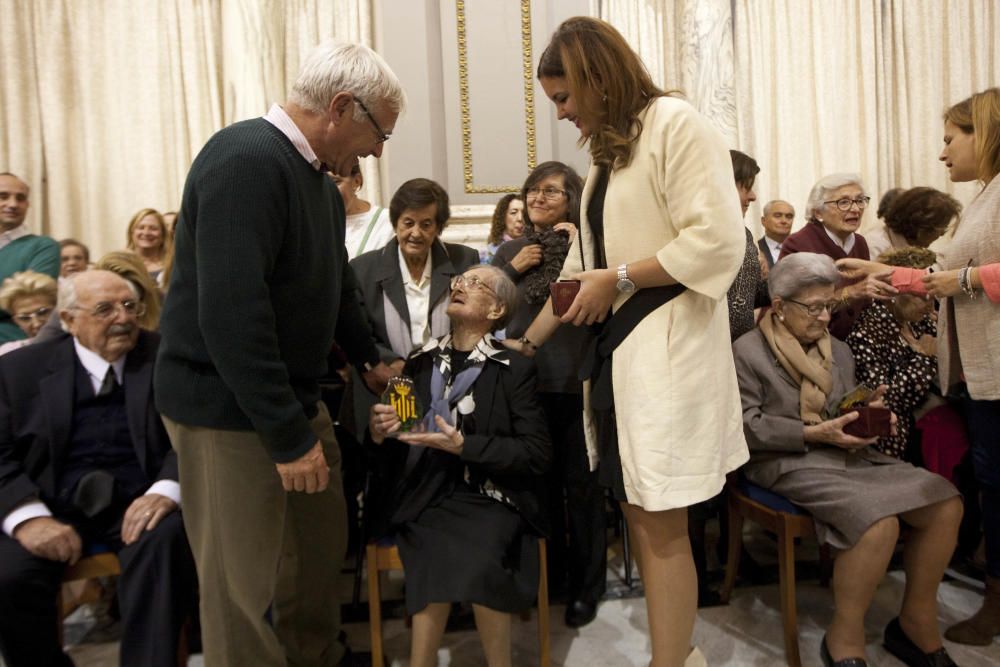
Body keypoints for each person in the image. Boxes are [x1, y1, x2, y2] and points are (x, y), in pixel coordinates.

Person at [154, 40, 402, 666]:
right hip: (226, 410)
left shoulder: (316, 181)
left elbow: (335, 283)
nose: (376, 150)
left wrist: (371, 355)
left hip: (289, 400)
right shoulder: (244, 161)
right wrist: (289, 438)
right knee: (241, 584)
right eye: (379, 133)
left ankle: (313, 653)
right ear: (342, 108)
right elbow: (233, 317)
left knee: (316, 552)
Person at [510, 17, 747, 666]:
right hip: (620, 356)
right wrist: (520, 348)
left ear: (595, 77)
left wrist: (617, 277)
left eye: (563, 98)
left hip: (666, 348)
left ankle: (674, 660)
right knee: (642, 517)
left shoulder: (676, 123)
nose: (561, 114)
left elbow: (718, 241)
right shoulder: (606, 153)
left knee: (662, 522)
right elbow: (577, 267)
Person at [733, 252, 962, 667]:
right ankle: (846, 632)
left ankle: (916, 619)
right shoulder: (745, 351)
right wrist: (810, 433)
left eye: (830, 305)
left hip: (846, 454)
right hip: (783, 458)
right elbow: (745, 427)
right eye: (814, 307)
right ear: (780, 307)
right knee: (878, 522)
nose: (824, 317)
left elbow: (839, 409)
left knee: (945, 502)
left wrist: (866, 414)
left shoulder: (838, 350)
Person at [838, 87, 1000, 647]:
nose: (941, 154)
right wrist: (879, 269)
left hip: (995, 371)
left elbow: (960, 280)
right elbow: (943, 278)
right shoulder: (984, 196)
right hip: (979, 374)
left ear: (985, 131)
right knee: (990, 483)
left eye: (950, 139)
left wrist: (960, 281)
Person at [0, 270, 196, 667]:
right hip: (48, 502)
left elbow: (194, 435)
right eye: (105, 309)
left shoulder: (167, 358)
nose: (123, 318)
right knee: (9, 573)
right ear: (69, 320)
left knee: (165, 544)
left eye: (129, 306)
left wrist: (166, 489)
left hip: (141, 501)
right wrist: (27, 518)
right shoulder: (19, 370)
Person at [369, 265, 550, 667]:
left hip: (492, 494)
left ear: (497, 307)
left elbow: (535, 453)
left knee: (482, 550)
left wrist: (465, 445)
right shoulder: (418, 364)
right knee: (429, 541)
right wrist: (382, 432)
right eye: (458, 281)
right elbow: (401, 445)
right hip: (428, 494)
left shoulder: (514, 369)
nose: (459, 287)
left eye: (475, 283)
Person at [492, 162, 607, 627]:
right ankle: (551, 578)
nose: (538, 198)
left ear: (572, 199)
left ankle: (587, 588)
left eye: (552, 192)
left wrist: (574, 242)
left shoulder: (587, 247)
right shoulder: (513, 250)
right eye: (533, 190)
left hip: (576, 383)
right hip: (524, 389)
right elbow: (484, 303)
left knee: (581, 493)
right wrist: (509, 265)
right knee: (537, 490)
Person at [349, 178, 479, 436]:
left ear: (438, 228)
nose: (416, 233)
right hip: (389, 381)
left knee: (440, 459)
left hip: (449, 384)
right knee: (401, 456)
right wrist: (391, 364)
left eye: (426, 224)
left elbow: (476, 320)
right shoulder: (363, 269)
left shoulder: (464, 260)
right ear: (396, 223)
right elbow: (357, 332)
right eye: (408, 223)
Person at [846, 247, 938, 460]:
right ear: (895, 291)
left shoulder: (920, 321)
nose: (930, 305)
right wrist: (926, 359)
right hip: (894, 437)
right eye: (923, 296)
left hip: (926, 423)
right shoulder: (867, 332)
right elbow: (883, 400)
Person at [779, 174, 893, 340]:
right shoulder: (798, 244)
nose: (855, 209)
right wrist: (852, 292)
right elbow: (798, 309)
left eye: (860, 200)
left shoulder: (860, 242)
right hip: (813, 343)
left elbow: (866, 304)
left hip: (858, 342)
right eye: (844, 202)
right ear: (818, 213)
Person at [0, 173, 59, 344]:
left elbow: (29, 301)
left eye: (20, 198)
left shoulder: (43, 246)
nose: (12, 204)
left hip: (15, 347)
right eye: (3, 196)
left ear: (27, 205)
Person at [726, 150, 771, 341]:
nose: (753, 197)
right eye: (746, 187)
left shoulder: (744, 233)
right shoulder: (690, 232)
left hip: (740, 352)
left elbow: (747, 300)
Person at [865, 187, 961, 259]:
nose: (942, 234)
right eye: (941, 228)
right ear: (922, 228)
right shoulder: (874, 247)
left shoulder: (909, 245)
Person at [332, 163, 394, 259]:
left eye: (336, 182)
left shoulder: (388, 223)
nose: (328, 189)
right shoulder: (314, 225)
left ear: (357, 181)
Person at [0, 270, 57, 356]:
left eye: (43, 312)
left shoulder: (80, 345)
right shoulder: (8, 353)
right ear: (16, 321)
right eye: (24, 318)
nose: (36, 324)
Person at [124, 208, 171, 282]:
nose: (146, 233)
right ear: (131, 232)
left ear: (163, 234)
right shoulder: (121, 263)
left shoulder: (172, 266)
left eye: (153, 229)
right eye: (141, 228)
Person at [480, 194, 524, 264]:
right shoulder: (489, 253)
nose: (520, 218)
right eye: (513, 213)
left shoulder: (535, 248)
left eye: (524, 213)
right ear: (503, 217)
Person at [758, 199, 795, 268]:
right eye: (777, 216)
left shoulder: (801, 249)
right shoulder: (755, 250)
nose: (784, 221)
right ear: (763, 221)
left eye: (789, 216)